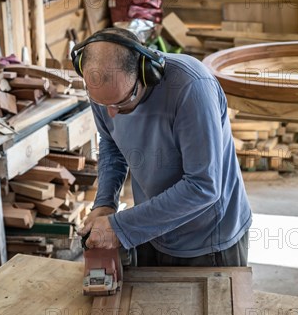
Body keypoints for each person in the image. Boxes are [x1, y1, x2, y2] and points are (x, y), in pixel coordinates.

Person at [72, 27, 252, 267]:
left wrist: (121, 226)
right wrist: (105, 204)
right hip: (151, 228)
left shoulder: (191, 88)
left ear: (147, 73)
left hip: (209, 238)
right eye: (102, 104)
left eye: (122, 102)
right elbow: (112, 144)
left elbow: (203, 187)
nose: (112, 113)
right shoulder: (105, 93)